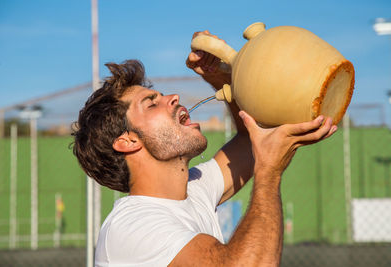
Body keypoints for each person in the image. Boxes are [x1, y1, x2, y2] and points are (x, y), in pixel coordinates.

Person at [72, 30, 337, 267]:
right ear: (128, 141)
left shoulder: (192, 190)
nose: (172, 97)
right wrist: (269, 173)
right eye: (151, 104)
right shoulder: (132, 227)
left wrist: (221, 79)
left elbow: (250, 141)